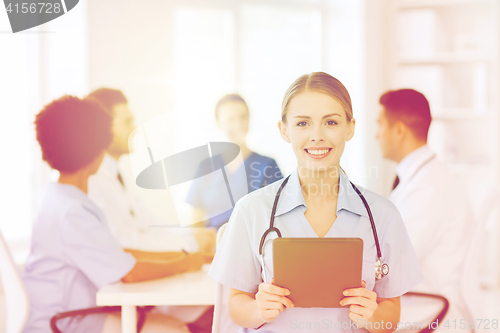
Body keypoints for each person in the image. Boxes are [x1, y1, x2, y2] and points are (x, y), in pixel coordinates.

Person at [208, 72, 423, 332]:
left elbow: (391, 314)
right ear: (284, 130)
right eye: (302, 124)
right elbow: (236, 306)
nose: (317, 136)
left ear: (350, 127)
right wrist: (257, 309)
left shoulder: (383, 215)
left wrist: (374, 315)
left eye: (331, 122)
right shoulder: (252, 210)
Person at [22, 96, 205, 333]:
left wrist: (182, 258)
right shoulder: (73, 211)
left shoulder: (60, 198)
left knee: (171, 321)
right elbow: (129, 273)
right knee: (174, 328)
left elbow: (118, 255)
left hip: (65, 313)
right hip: (66, 320)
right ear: (96, 149)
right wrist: (184, 263)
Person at [86, 88, 214, 332]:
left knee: (213, 310)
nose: (134, 128)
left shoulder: (117, 173)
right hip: (116, 297)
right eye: (127, 122)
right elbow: (126, 240)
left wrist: (192, 238)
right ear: (103, 128)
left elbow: (148, 224)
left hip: (138, 288)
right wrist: (191, 244)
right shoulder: (93, 181)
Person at [376, 89, 475, 329]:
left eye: (379, 125)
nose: (375, 135)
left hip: (432, 310)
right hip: (420, 302)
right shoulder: (425, 178)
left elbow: (393, 263)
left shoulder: (428, 188)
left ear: (399, 131)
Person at [186, 94, 283, 229]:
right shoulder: (206, 166)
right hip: (213, 247)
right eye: (230, 119)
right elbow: (195, 220)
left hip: (253, 245)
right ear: (218, 123)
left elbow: (279, 215)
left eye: (243, 117)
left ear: (249, 119)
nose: (238, 124)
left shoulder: (267, 166)